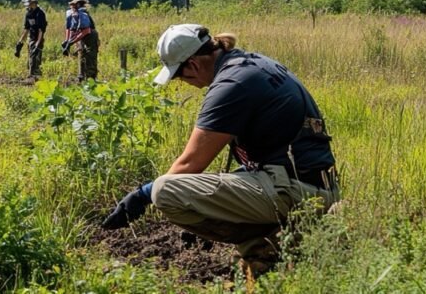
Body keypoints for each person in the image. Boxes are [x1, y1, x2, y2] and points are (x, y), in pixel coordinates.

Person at [101, 24, 339, 275]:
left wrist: (142, 194)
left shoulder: (231, 84)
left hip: (297, 192)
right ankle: (268, 251)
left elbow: (189, 164)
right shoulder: (251, 64)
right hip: (311, 185)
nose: (184, 83)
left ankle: (278, 241)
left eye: (180, 76)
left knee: (165, 191)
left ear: (193, 64)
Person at [62, 0, 98, 82]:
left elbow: (86, 30)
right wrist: (67, 41)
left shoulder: (83, 14)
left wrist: (72, 42)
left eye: (74, 4)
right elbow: (71, 29)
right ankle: (81, 76)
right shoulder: (74, 14)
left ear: (78, 4)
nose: (72, 6)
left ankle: (91, 78)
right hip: (82, 36)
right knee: (81, 53)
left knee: (90, 56)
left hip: (90, 36)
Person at [14, 0, 48, 81]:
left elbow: (41, 30)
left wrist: (37, 43)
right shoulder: (28, 13)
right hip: (31, 38)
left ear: (33, 1)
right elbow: (26, 29)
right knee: (30, 59)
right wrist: (19, 43)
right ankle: (31, 76)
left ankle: (34, 77)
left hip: (38, 38)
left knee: (36, 58)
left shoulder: (40, 13)